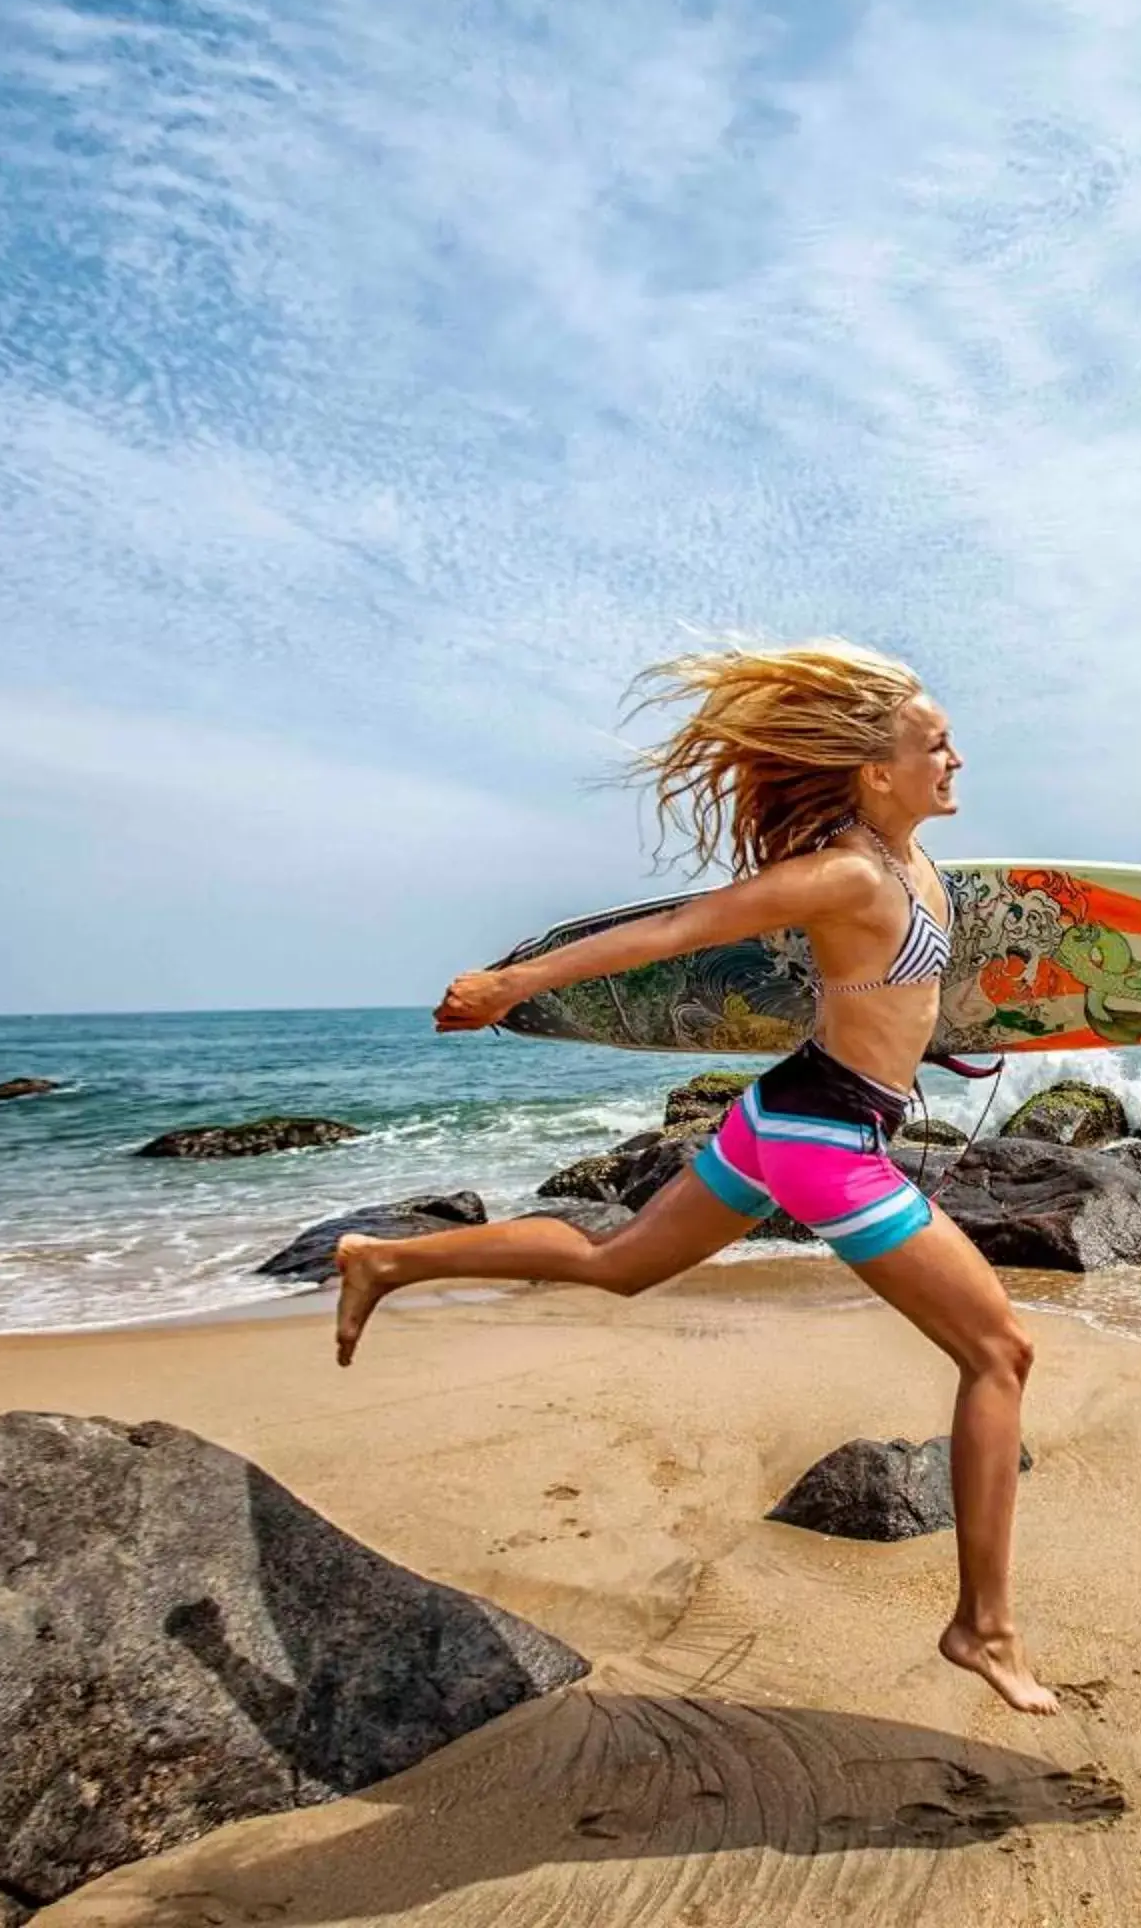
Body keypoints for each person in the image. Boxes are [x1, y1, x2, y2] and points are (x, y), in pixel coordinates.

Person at [330, 641, 1056, 1714]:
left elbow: (884, 997)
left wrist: (922, 1047)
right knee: (1000, 1351)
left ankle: (385, 1257)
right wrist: (509, 983)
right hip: (826, 1142)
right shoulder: (845, 873)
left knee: (617, 1260)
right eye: (932, 741)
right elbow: (674, 932)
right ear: (876, 771)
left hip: (784, 1110)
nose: (955, 754)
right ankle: (981, 1625)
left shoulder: (919, 871)